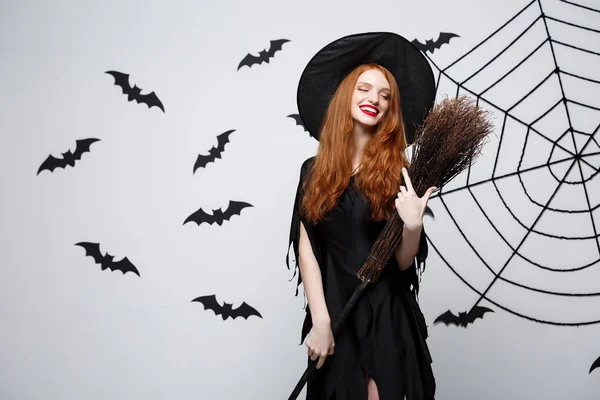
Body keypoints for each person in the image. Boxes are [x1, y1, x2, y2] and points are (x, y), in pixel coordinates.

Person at [286, 32, 438, 400]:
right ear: (345, 96)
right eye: (365, 89)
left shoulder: (398, 172)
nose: (375, 99)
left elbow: (401, 264)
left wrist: (413, 226)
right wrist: (320, 319)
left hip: (386, 313)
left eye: (385, 96)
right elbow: (307, 251)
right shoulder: (314, 171)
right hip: (338, 312)